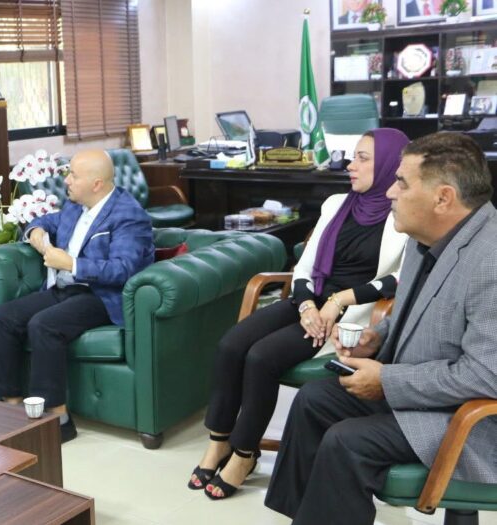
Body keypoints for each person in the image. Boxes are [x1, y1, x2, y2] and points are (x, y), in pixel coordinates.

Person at [264, 132, 497, 524]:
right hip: (427, 393)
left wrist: (387, 381)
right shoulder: (425, 236)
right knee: (312, 400)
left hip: (469, 420)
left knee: (346, 442)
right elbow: (417, 310)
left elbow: (487, 376)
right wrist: (378, 338)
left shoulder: (491, 261)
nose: (390, 192)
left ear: (443, 198)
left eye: (402, 183)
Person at [190, 128, 411, 500]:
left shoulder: (402, 215)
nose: (350, 165)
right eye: (353, 156)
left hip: (349, 316)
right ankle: (219, 442)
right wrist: (308, 304)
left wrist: (339, 300)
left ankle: (244, 454)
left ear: (390, 165)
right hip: (309, 302)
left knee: (261, 358)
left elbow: (401, 277)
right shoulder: (336, 204)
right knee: (230, 345)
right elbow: (305, 266)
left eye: (362, 158)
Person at [0, 149, 154, 443]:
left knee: (43, 325)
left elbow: (123, 268)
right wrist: (35, 230)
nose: (67, 181)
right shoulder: (76, 205)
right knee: (3, 317)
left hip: (101, 295)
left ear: (96, 184)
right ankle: (9, 407)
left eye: (73, 175)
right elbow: (50, 221)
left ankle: (58, 418)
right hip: (64, 288)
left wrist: (72, 264)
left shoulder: (129, 215)